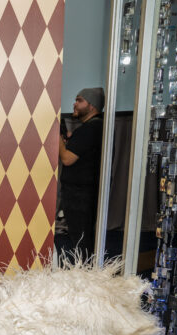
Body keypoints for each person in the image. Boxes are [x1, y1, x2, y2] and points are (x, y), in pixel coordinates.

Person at [58, 87, 105, 259]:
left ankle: (84, 273)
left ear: (91, 106)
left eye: (79, 100)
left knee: (81, 238)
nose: (75, 104)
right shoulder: (98, 127)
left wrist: (58, 141)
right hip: (87, 192)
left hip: (79, 195)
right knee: (85, 237)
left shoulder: (89, 129)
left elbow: (67, 159)